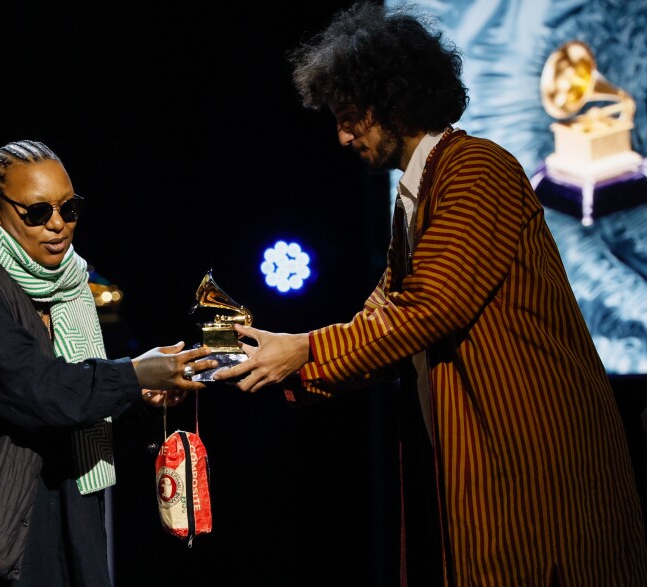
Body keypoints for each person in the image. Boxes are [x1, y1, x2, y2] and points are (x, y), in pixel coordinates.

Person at [213, 4, 647, 585]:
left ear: (395, 103)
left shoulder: (476, 169)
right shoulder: (415, 199)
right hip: (487, 462)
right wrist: (268, 357)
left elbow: (431, 308)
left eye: (351, 117)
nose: (341, 137)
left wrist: (305, 350)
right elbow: (381, 318)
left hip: (534, 463)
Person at [0, 139, 217, 586]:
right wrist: (131, 374)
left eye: (69, 208)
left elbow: (74, 402)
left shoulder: (67, 286)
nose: (58, 225)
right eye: (37, 211)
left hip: (21, 513)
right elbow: (37, 390)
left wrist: (140, 393)